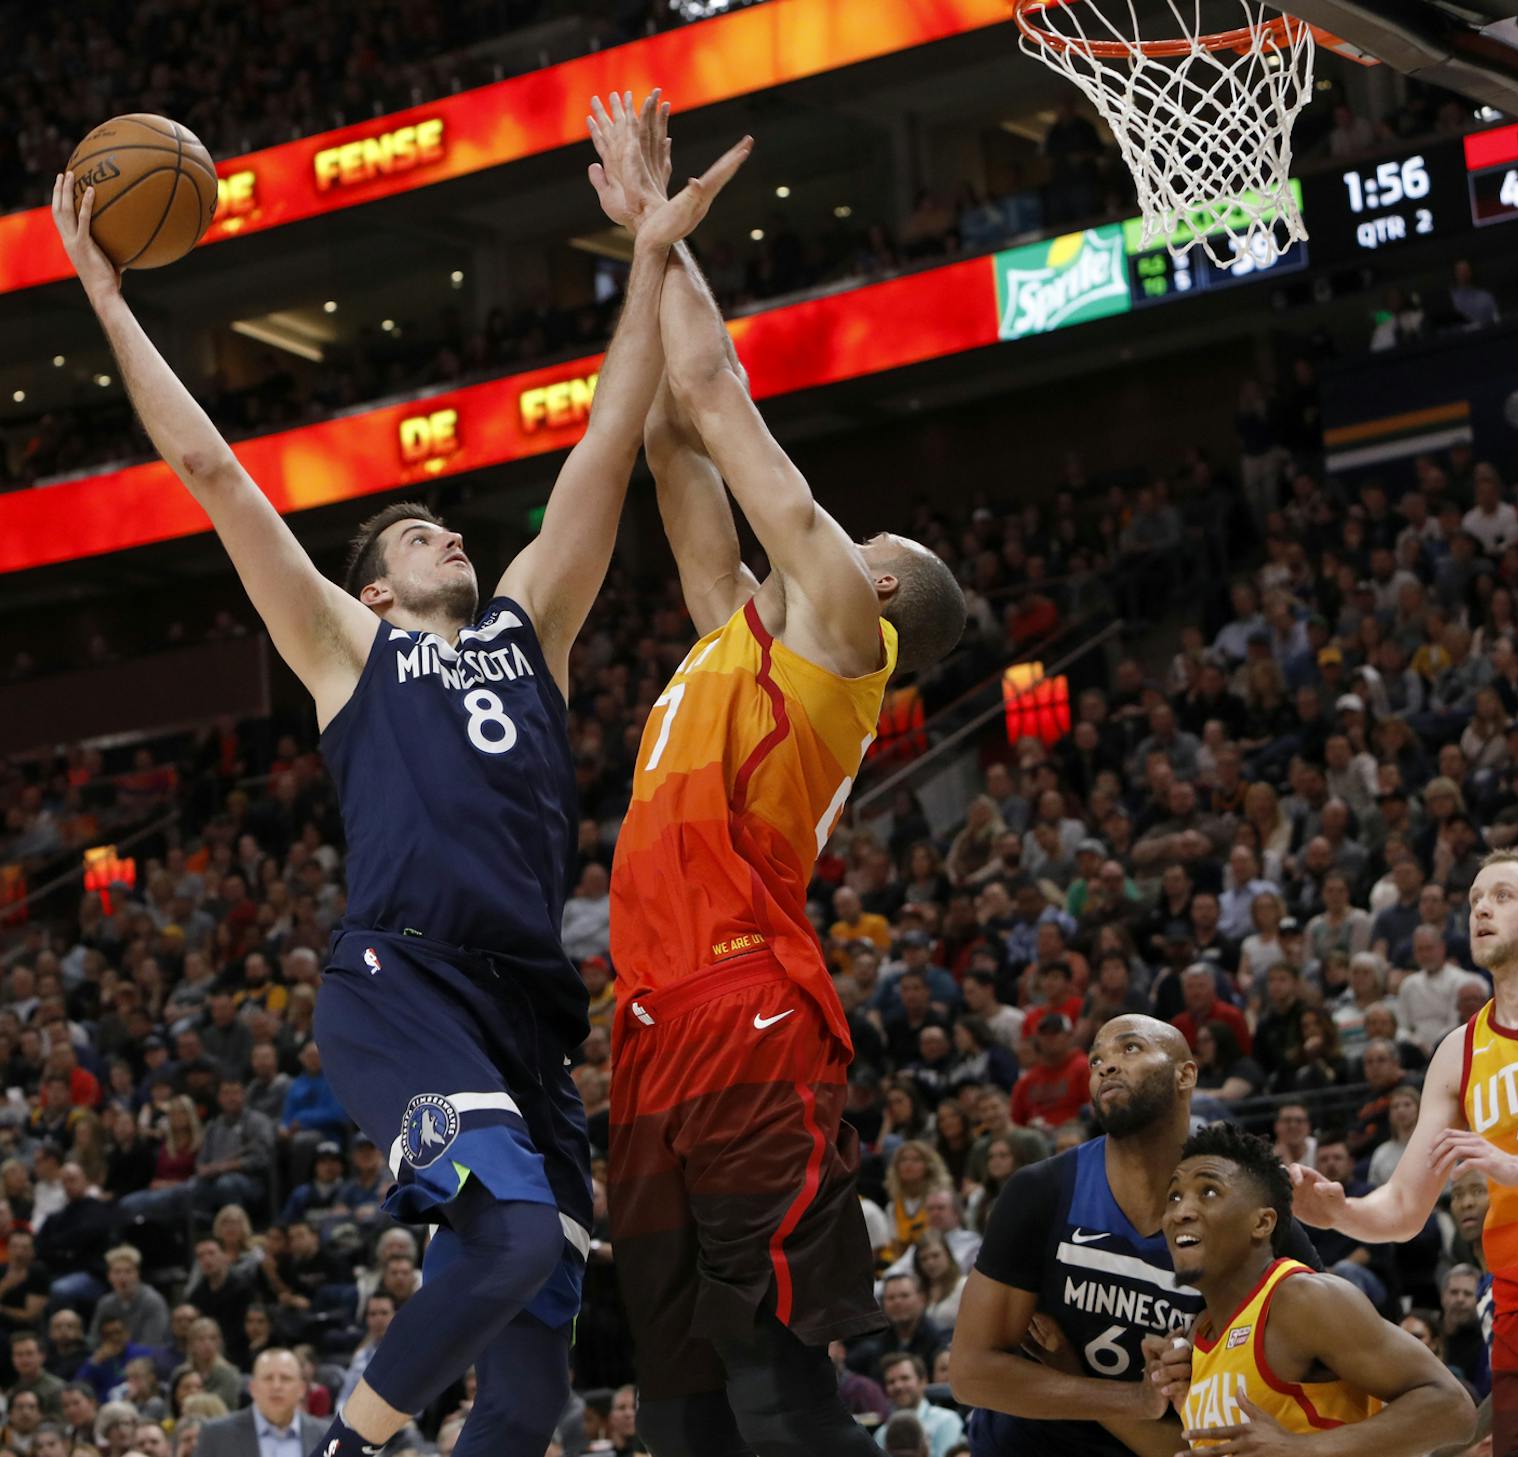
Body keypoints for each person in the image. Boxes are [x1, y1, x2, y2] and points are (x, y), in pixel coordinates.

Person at [54, 87, 740, 1457]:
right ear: (373, 579)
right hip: (403, 983)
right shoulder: (343, 645)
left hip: (528, 1010)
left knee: (541, 1385)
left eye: (444, 530)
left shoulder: (529, 623)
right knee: (498, 1250)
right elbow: (212, 470)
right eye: (417, 533)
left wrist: (650, 248)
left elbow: (608, 443)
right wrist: (108, 300)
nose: (445, 539)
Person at [605, 87, 966, 1457]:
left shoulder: (843, 627)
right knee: (680, 1387)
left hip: (750, 998)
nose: (850, 530)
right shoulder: (737, 633)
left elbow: (711, 389)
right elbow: (662, 438)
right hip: (650, 1025)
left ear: (880, 584)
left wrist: (661, 229)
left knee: (767, 1354)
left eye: (872, 534)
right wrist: (639, 265)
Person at [1290, 849, 1518, 1456]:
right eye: (1474, 900)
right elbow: (1403, 1208)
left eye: (1502, 896)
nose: (1481, 909)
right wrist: (1338, 1212)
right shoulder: (1458, 1051)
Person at [950, 1017, 1319, 1457]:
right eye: (1096, 1060)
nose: (1105, 1066)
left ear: (1186, 1074)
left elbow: (1333, 1360)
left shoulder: (1247, 1214)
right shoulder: (1042, 1192)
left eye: (1130, 1049)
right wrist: (1132, 1399)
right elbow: (971, 1373)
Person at [1158, 1124, 1473, 1452]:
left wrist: (1304, 1450)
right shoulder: (1200, 1335)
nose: (1181, 1212)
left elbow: (1453, 1407)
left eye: (1208, 1191)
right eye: (1174, 1196)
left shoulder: (1302, 1300)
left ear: (1262, 1222)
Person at [183, 1350, 322, 1457]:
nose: (276, 1386)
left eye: (285, 1378)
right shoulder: (216, 1435)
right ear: (253, 1388)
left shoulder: (327, 1435)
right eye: (268, 1378)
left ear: (302, 1389)